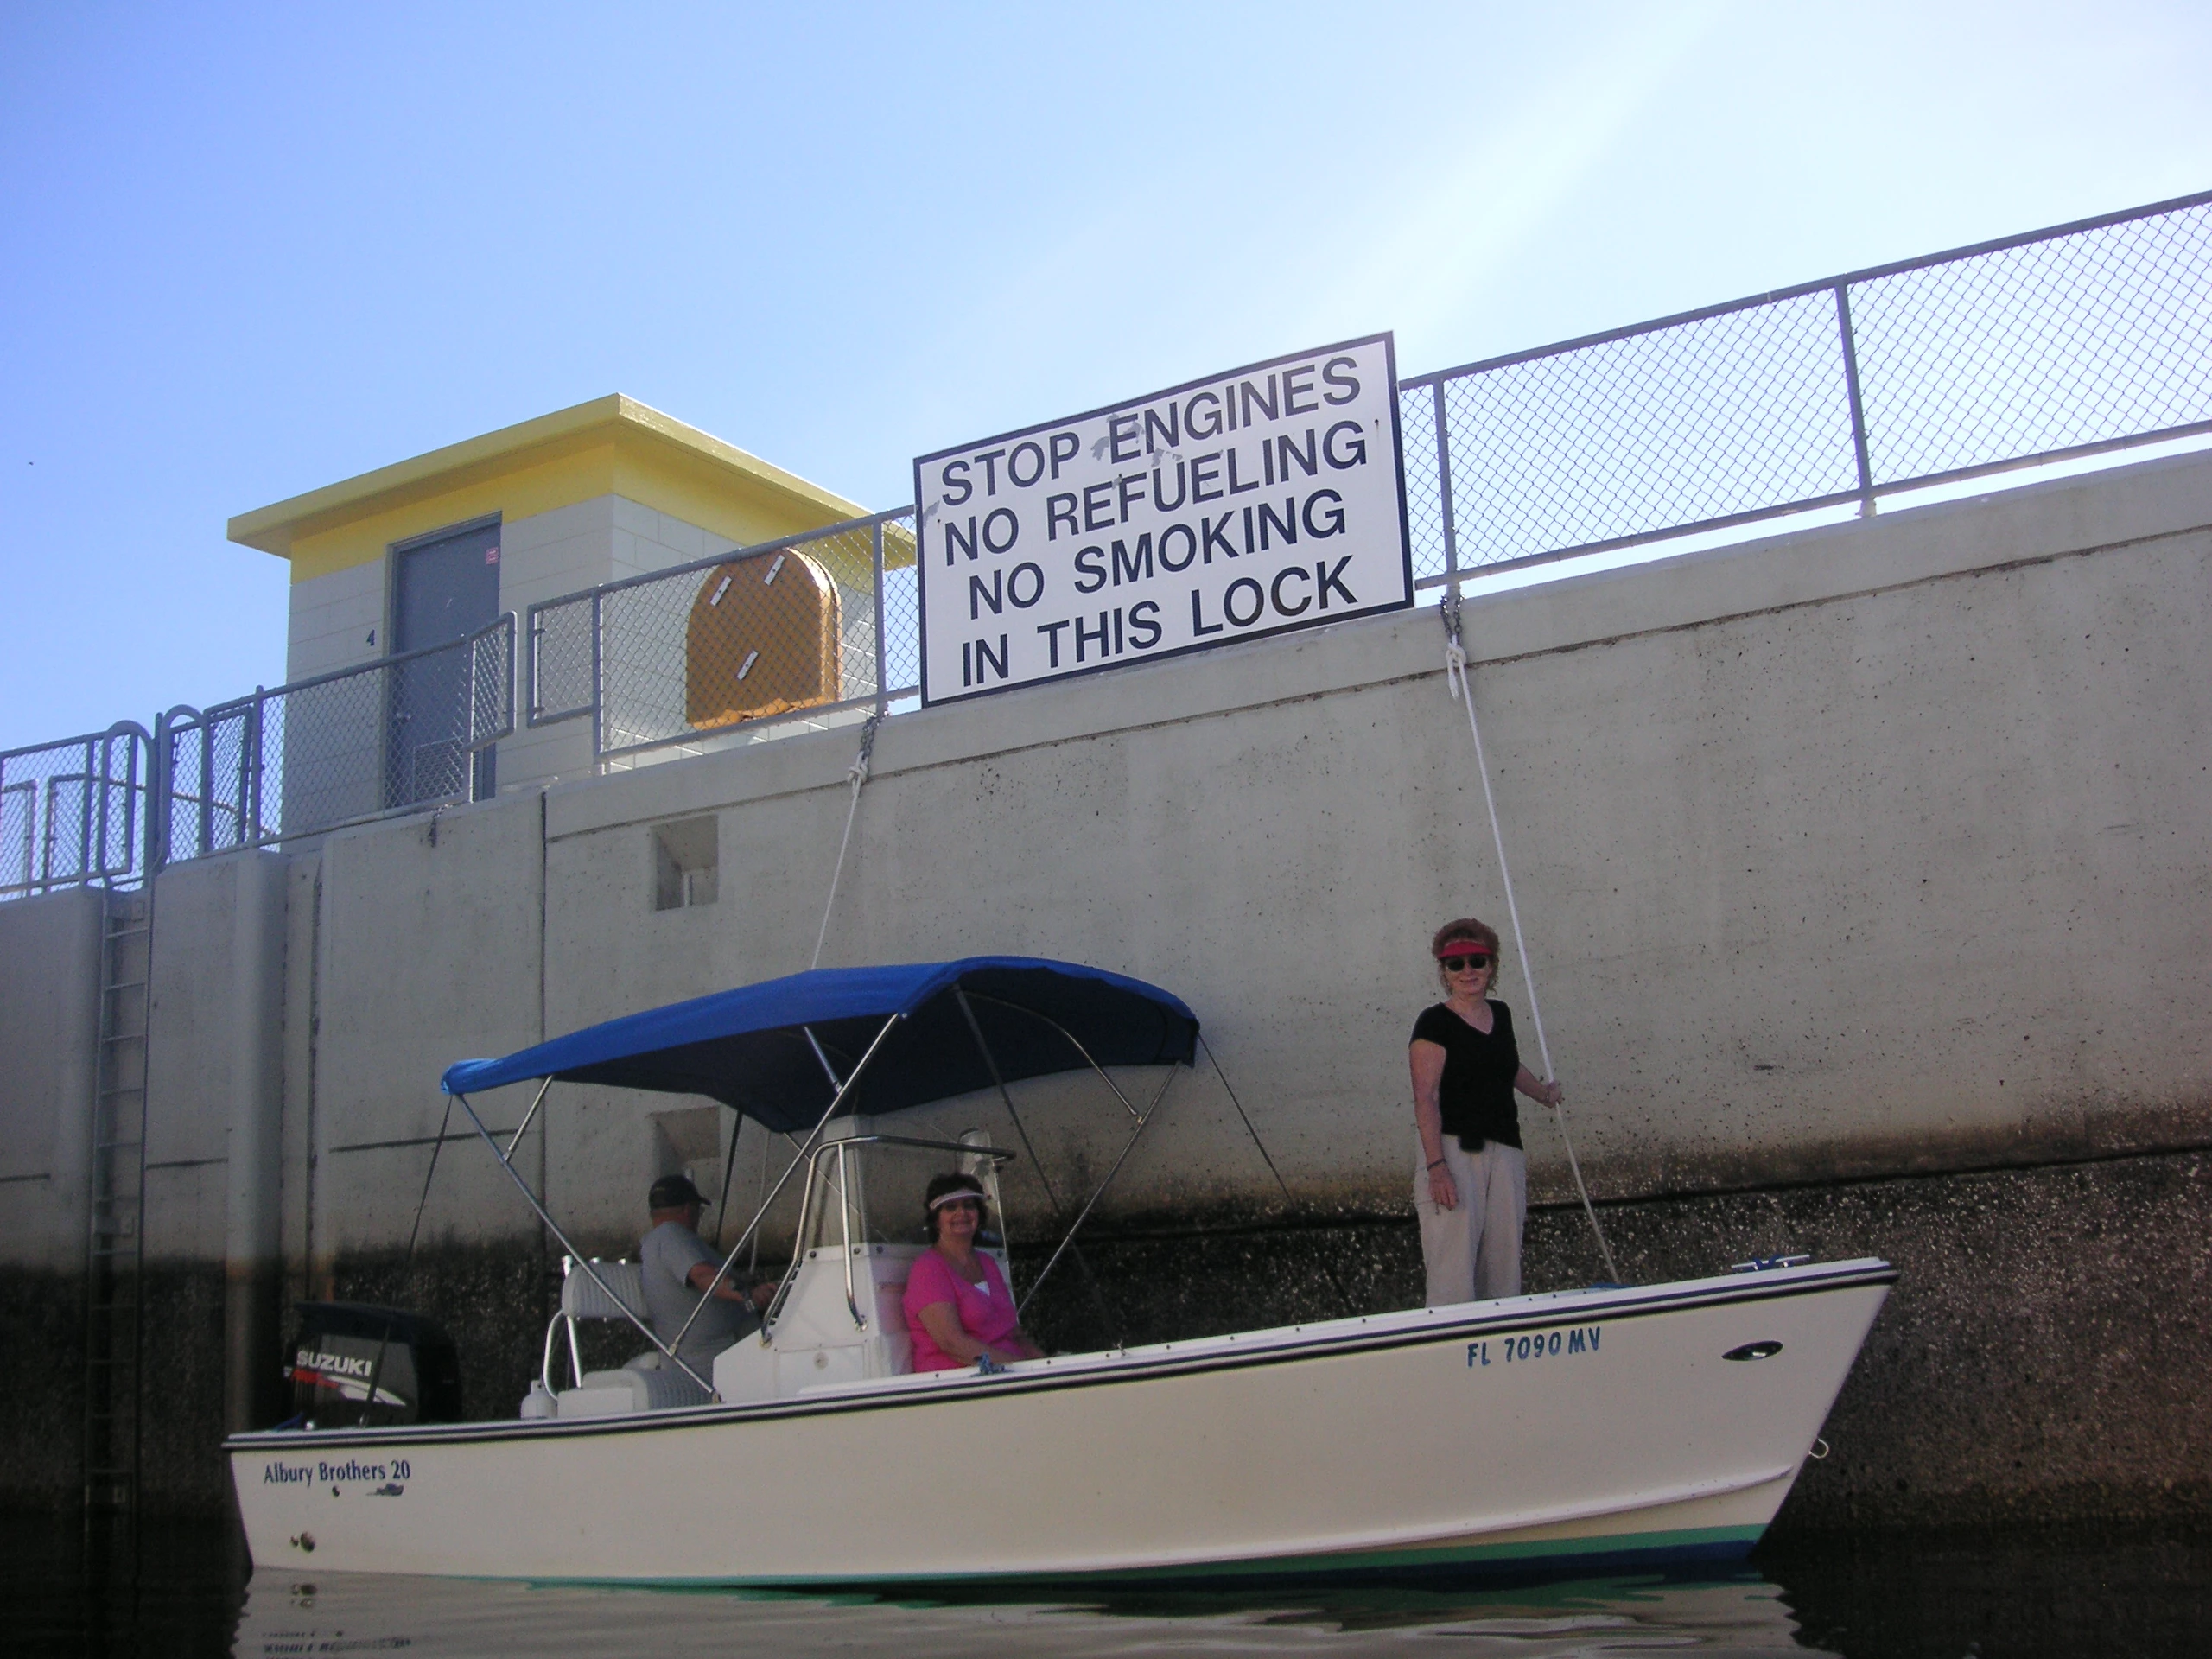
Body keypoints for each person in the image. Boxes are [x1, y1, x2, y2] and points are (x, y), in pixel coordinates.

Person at [1409, 918, 1564, 1306]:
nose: (1468, 972)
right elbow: (1425, 1097)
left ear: (1492, 965)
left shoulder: (1502, 1013)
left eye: (1477, 961)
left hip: (1506, 1150)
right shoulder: (1434, 1022)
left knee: (1504, 1263)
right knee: (1453, 1263)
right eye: (1455, 964)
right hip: (1456, 1151)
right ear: (1444, 972)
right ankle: (1450, 1346)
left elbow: (1509, 1067)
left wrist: (1544, 1095)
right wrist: (1436, 1167)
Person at [901, 1173, 1043, 1372]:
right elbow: (952, 1343)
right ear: (936, 1220)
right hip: (959, 1381)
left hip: (1009, 1374)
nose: (962, 1213)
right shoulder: (928, 1270)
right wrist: (1021, 1368)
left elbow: (1014, 1333)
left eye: (969, 1205)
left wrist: (1047, 1365)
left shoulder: (987, 1262)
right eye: (951, 1207)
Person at [639, 1174, 775, 1368]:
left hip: (733, 1350)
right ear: (689, 1209)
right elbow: (703, 1276)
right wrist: (749, 1295)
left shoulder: (658, 1242)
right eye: (699, 1212)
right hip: (717, 1361)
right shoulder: (670, 1235)